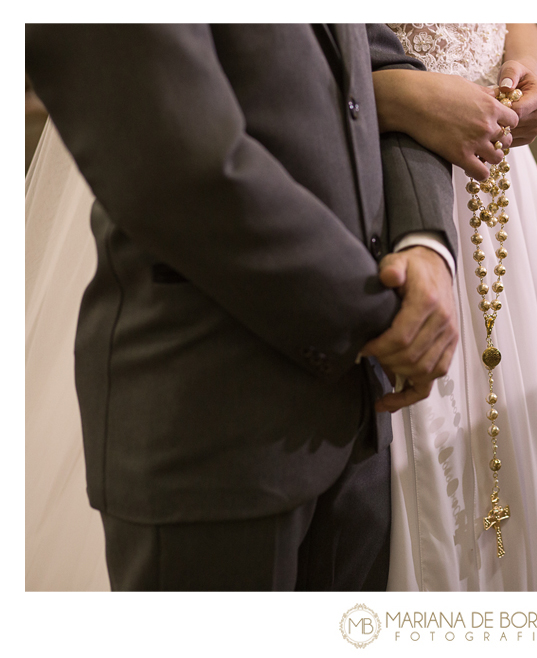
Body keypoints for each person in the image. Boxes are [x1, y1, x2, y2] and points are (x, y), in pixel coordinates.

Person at [25, 24, 460, 591]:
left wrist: (425, 245)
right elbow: (179, 167)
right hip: (212, 432)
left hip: (356, 427)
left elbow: (388, 70)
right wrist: (390, 316)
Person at [374, 23, 537, 591]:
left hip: (506, 186)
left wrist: (526, 69)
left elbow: (513, 22)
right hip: (398, 190)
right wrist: (400, 99)